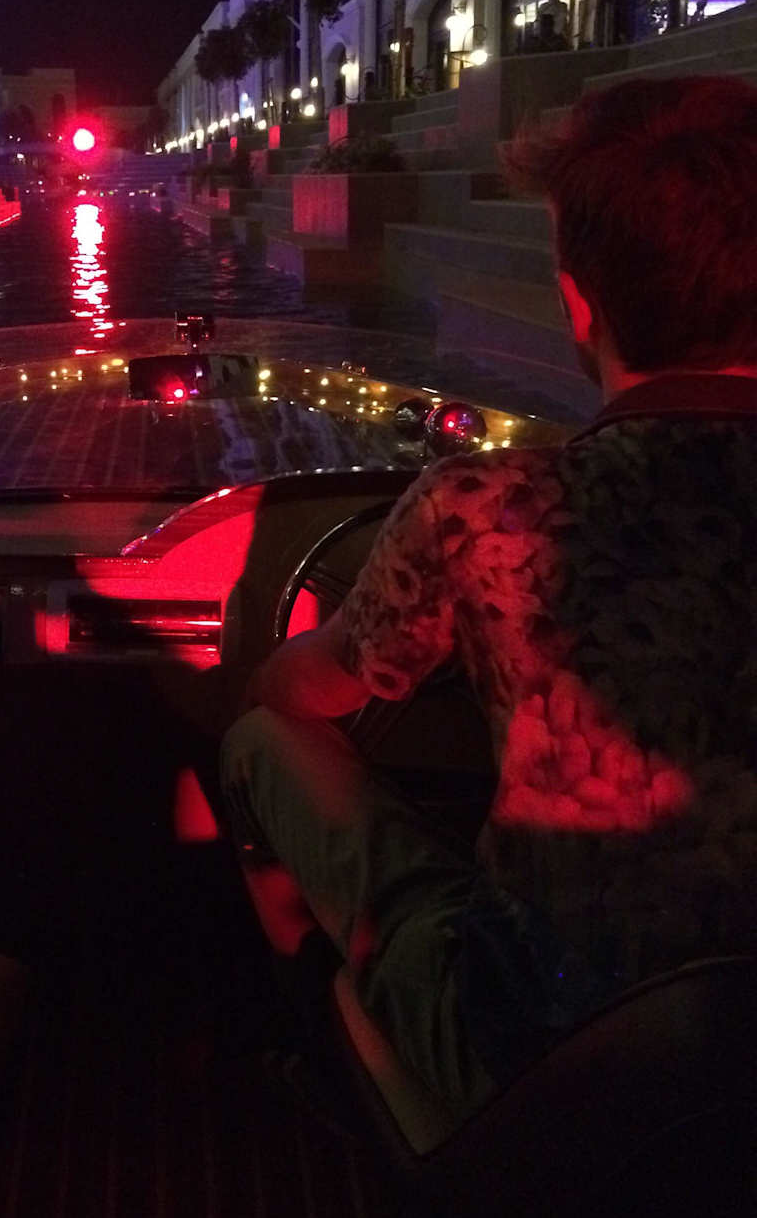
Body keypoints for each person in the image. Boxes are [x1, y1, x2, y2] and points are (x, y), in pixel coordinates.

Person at [222, 74, 757, 1124]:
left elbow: (313, 690)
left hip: (544, 1043)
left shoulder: (491, 507)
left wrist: (267, 664)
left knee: (259, 742)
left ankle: (320, 1057)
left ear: (577, 303)